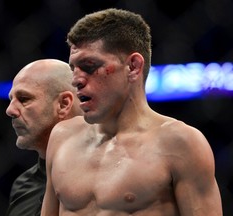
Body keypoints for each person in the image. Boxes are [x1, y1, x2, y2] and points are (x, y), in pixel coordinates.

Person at [40, 8, 223, 216]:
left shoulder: (180, 143)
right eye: (74, 68)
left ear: (133, 67)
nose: (76, 80)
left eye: (89, 66)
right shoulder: (62, 137)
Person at [5, 59, 83, 216]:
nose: (10, 110)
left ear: (63, 104)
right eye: (11, 99)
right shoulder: (23, 185)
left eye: (24, 99)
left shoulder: (107, 177)